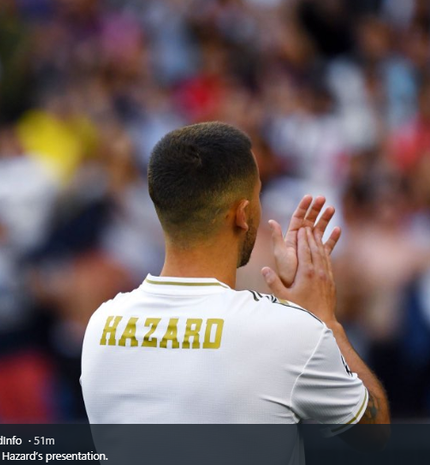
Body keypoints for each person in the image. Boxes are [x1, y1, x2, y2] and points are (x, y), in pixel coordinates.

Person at [80, 122, 389, 432]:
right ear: (242, 213)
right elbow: (373, 431)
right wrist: (323, 319)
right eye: (258, 196)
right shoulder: (285, 330)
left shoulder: (99, 326)